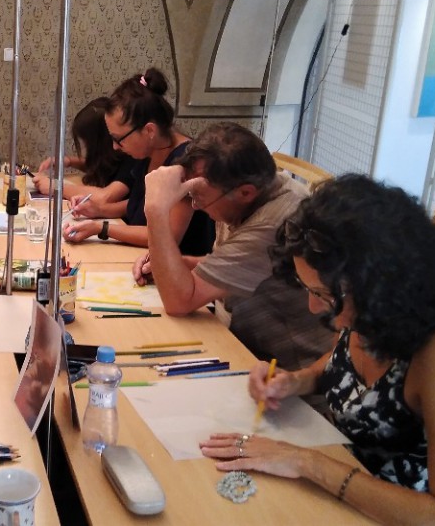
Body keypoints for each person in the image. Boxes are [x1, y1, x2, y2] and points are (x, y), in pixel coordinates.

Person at [200, 174, 435, 525]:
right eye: (309, 290)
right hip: (345, 488)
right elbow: (341, 364)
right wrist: (295, 381)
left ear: (381, 282)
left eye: (324, 295)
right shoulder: (371, 313)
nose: (314, 307)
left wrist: (306, 462)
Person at [133, 122, 332, 370]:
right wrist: (178, 264)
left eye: (199, 197)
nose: (195, 206)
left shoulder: (280, 221)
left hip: (283, 369)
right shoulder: (247, 187)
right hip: (238, 340)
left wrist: (155, 209)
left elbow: (179, 302)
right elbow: (237, 266)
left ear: (245, 193)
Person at [61, 69, 214, 255]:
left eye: (118, 139)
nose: (115, 147)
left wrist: (101, 228)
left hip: (177, 263)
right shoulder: (149, 151)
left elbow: (166, 237)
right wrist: (100, 209)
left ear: (149, 131)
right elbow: (139, 204)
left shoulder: (187, 164)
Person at [33, 97, 130, 201]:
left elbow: (105, 196)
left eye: (88, 143)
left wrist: (56, 187)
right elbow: (103, 165)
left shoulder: (131, 158)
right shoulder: (114, 157)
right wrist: (69, 161)